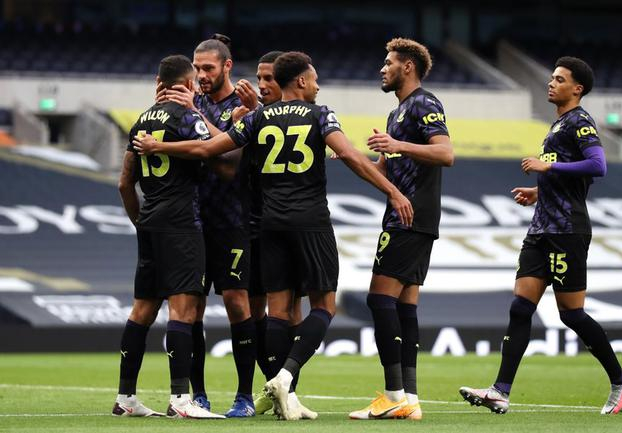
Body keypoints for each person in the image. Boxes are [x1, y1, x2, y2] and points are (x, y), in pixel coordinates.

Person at [132, 51, 414, 421]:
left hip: (269, 224)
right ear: (301, 80)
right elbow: (350, 156)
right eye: (314, 79)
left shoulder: (257, 117)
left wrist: (159, 146)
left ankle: (285, 399)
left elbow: (206, 148)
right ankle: (284, 377)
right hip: (310, 221)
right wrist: (392, 191)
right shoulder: (320, 114)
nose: (317, 86)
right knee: (324, 306)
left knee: (277, 311)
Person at [459, 56, 622, 415]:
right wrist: (538, 192)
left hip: (567, 230)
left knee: (571, 314)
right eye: (552, 77)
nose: (551, 83)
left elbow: (598, 165)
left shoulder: (580, 121)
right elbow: (571, 181)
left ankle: (621, 380)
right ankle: (500, 391)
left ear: (577, 89)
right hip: (541, 229)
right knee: (520, 307)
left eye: (559, 79)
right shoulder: (557, 125)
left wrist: (547, 165)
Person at [348, 38, 454, 421]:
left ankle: (393, 394)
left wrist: (398, 144)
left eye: (389, 62)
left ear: (407, 67)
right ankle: (409, 399)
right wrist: (352, 158)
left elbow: (445, 153)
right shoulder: (397, 113)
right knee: (405, 306)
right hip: (412, 217)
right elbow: (386, 170)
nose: (382, 68)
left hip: (410, 216)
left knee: (380, 299)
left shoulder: (424, 102)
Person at [112, 54, 223, 419]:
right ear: (187, 84)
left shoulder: (141, 121)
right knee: (183, 310)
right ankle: (180, 399)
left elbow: (124, 183)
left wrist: (140, 221)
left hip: (150, 221)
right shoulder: (188, 117)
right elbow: (219, 149)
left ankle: (126, 398)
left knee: (142, 310)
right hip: (180, 222)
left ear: (158, 83)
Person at [158, 35, 258, 417]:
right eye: (197, 68)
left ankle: (244, 397)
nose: (200, 75)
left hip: (232, 219)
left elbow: (230, 164)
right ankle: (197, 395)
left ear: (226, 67)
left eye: (208, 68)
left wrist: (196, 119)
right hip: (194, 221)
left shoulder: (242, 107)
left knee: (236, 302)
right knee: (193, 309)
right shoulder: (191, 102)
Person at [234, 51, 313, 418]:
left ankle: (286, 390)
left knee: (291, 309)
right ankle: (266, 387)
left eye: (269, 78)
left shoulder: (283, 119)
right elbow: (226, 162)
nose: (263, 85)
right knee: (254, 310)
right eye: (260, 78)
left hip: (282, 225)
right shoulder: (249, 119)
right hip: (249, 226)